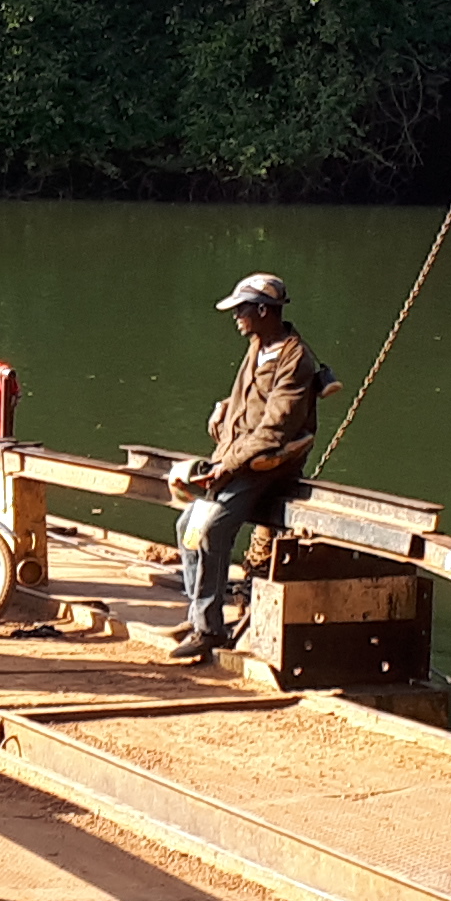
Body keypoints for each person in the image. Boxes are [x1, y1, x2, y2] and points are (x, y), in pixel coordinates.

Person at [163, 270, 327, 666]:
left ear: (264, 310)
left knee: (212, 529)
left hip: (268, 464)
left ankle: (209, 630)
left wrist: (228, 467)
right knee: (188, 526)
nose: (237, 318)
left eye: (242, 310)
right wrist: (223, 410)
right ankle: (198, 613)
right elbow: (248, 401)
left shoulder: (295, 360)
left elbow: (275, 429)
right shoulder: (258, 345)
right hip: (238, 458)